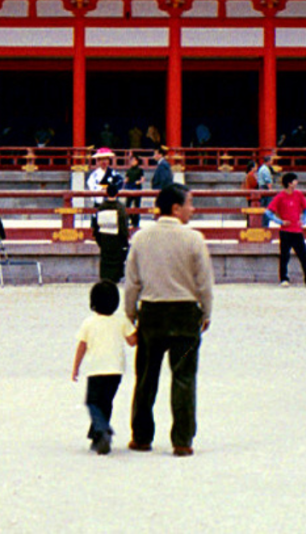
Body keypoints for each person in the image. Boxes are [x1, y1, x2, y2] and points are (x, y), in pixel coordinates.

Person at [125, 183, 213, 457]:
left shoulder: (141, 238)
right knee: (184, 377)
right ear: (176, 208)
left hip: (152, 315)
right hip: (186, 317)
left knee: (146, 377)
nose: (192, 209)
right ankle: (182, 440)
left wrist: (132, 316)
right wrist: (206, 312)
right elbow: (204, 284)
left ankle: (141, 436)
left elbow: (131, 284)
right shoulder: (194, 239)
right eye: (189, 203)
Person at [71, 280, 137, 455]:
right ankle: (98, 437)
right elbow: (132, 341)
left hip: (96, 370)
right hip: (116, 370)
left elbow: (82, 347)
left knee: (92, 402)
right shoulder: (121, 321)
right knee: (106, 403)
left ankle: (102, 429)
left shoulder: (89, 322)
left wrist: (76, 367)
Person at [265, 172, 306, 286]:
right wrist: (280, 221)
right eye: (294, 181)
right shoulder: (280, 196)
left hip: (297, 230)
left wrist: (304, 219)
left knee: (304, 255)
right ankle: (284, 278)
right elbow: (268, 212)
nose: (296, 183)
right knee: (284, 256)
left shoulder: (299, 195)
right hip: (285, 231)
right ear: (289, 183)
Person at [91, 178, 130, 283]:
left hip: (104, 238)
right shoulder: (120, 208)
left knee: (105, 261)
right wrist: (125, 241)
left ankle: (104, 280)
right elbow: (123, 226)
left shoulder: (101, 207)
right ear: (117, 193)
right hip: (116, 239)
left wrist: (99, 239)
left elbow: (96, 226)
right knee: (116, 262)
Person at [124, 153, 145, 229]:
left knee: (137, 206)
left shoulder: (140, 170)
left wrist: (139, 182)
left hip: (137, 188)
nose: (132, 162)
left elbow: (142, 179)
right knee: (127, 206)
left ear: (137, 161)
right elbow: (126, 179)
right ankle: (130, 220)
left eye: (133, 160)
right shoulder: (129, 170)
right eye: (131, 160)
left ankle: (136, 222)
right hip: (129, 188)